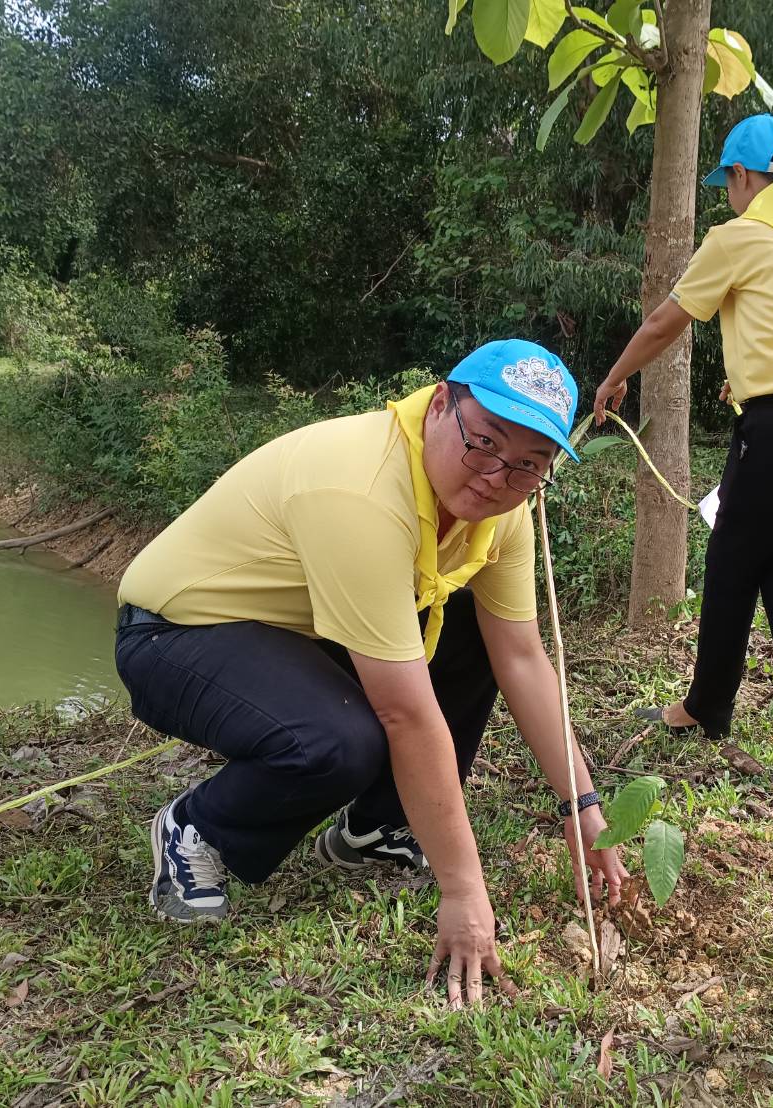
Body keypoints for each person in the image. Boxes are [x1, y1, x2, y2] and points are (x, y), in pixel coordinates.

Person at [115, 339, 627, 1006]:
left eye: (528, 466)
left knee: (476, 631)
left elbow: (523, 658)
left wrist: (583, 808)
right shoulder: (359, 487)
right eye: (483, 444)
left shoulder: (504, 510)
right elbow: (403, 713)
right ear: (440, 405)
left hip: (297, 633)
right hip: (175, 633)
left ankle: (372, 829)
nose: (496, 478)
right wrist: (463, 891)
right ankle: (198, 827)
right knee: (337, 741)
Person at [592, 114, 773, 789]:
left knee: (729, 565)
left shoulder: (741, 236)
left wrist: (615, 377)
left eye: (727, 181)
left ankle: (705, 708)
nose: (727, 193)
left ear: (745, 176)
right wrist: (749, 373)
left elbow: (666, 319)